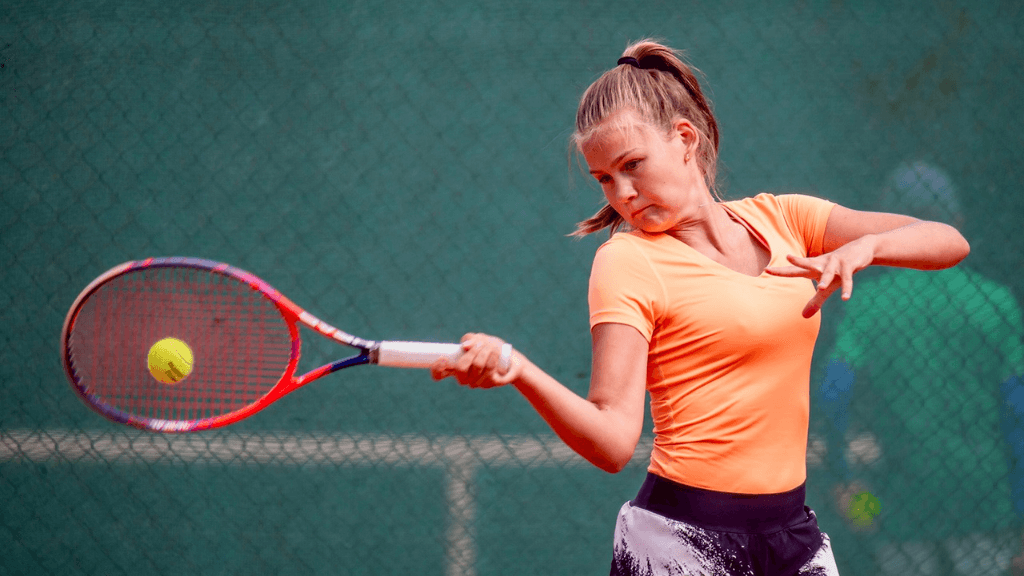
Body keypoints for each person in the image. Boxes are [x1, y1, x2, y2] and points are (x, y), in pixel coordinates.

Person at [431, 40, 970, 576]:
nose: (622, 193)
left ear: (684, 139)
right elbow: (614, 442)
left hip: (793, 536)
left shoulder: (786, 218)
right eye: (604, 179)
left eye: (632, 165)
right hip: (680, 542)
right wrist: (519, 371)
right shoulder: (626, 262)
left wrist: (867, 246)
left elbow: (946, 242)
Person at [817, 161, 1024, 575]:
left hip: (898, 493)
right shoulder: (994, 302)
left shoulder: (867, 305)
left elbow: (833, 395)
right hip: (985, 494)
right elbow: (1016, 407)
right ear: (958, 224)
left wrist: (846, 482)